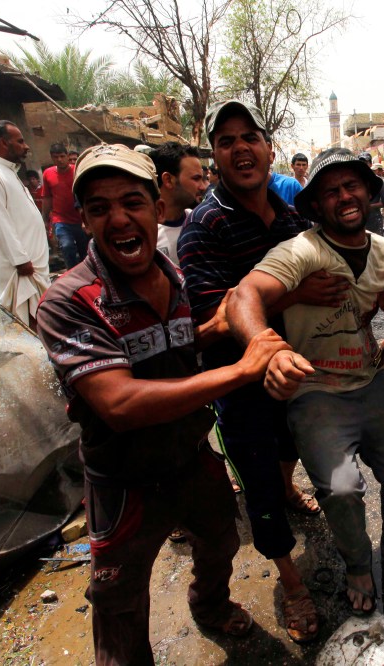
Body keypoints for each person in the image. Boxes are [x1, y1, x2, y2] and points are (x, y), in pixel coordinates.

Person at [35, 143, 285, 664]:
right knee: (119, 599)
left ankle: (210, 605)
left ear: (157, 205)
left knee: (220, 542)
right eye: (100, 208)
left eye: (132, 202)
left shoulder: (169, 272)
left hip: (192, 457)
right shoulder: (68, 302)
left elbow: (179, 340)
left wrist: (233, 320)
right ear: (83, 219)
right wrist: (241, 369)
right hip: (123, 480)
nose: (119, 219)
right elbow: (121, 402)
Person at [227, 147, 384, 628]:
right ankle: (359, 568)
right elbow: (245, 295)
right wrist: (269, 349)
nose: (345, 196)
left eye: (352, 186)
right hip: (315, 393)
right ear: (316, 205)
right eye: (331, 190)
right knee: (341, 490)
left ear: (369, 193)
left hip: (371, 383)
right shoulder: (301, 251)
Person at [178, 100, 330, 644]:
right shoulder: (204, 227)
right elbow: (208, 323)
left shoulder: (290, 219)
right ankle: (291, 583)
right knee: (258, 480)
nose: (241, 148)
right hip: (240, 381)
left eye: (251, 137)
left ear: (268, 148)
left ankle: (288, 487)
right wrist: (290, 292)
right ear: (215, 158)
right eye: (226, 141)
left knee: (294, 447)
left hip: (295, 368)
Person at [0, 120, 50, 326]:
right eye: (20, 141)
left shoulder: (6, 170)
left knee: (42, 313)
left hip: (30, 263)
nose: (26, 146)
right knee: (27, 317)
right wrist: (21, 260)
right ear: (4, 143)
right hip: (20, 267)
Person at [148, 141, 209, 264]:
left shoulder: (199, 223)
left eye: (203, 179)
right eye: (196, 179)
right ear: (168, 180)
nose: (203, 187)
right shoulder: (148, 233)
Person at [42, 143, 88, 269]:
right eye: (56, 157)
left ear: (67, 156)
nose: (60, 160)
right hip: (60, 219)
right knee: (67, 246)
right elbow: (47, 197)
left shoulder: (77, 170)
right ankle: (71, 274)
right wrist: (45, 218)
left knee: (85, 251)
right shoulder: (47, 174)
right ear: (52, 158)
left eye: (62, 156)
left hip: (80, 218)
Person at [357, 151, 384, 235]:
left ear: (370, 164)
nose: (362, 165)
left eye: (365, 162)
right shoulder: (355, 180)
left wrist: (369, 206)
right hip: (358, 220)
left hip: (374, 220)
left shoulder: (377, 181)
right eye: (360, 162)